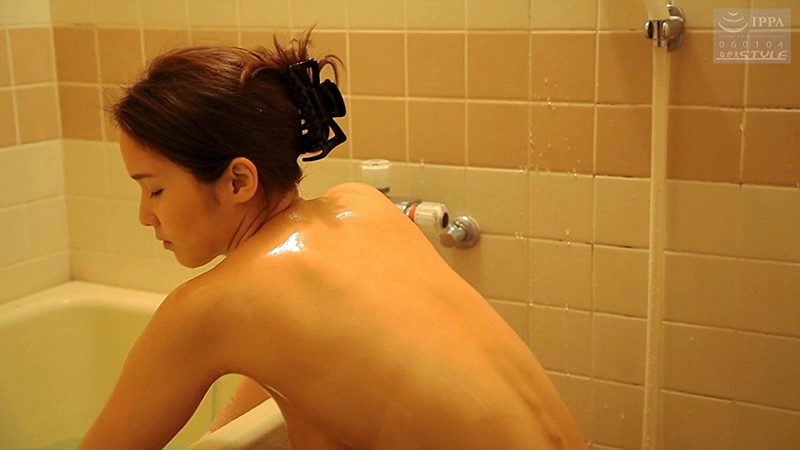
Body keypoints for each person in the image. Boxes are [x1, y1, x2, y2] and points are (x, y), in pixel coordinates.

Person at [79, 30, 587, 450]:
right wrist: (218, 437)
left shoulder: (209, 308)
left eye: (155, 189)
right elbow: (288, 354)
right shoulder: (363, 206)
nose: (145, 216)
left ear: (238, 181)